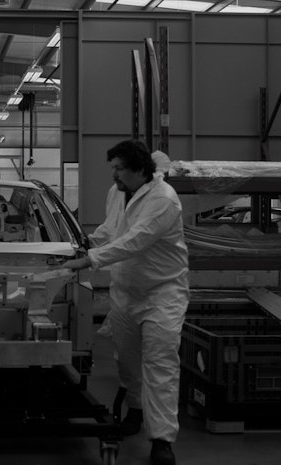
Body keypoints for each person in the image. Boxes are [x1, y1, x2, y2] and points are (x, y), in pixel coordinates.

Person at [68, 139, 189, 465]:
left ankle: (162, 440)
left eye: (119, 168)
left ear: (139, 169)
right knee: (127, 360)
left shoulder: (164, 201)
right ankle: (135, 408)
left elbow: (136, 240)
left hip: (162, 295)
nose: (114, 175)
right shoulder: (118, 193)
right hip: (125, 292)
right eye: (114, 168)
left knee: (160, 363)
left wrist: (91, 259)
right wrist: (81, 244)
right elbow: (112, 230)